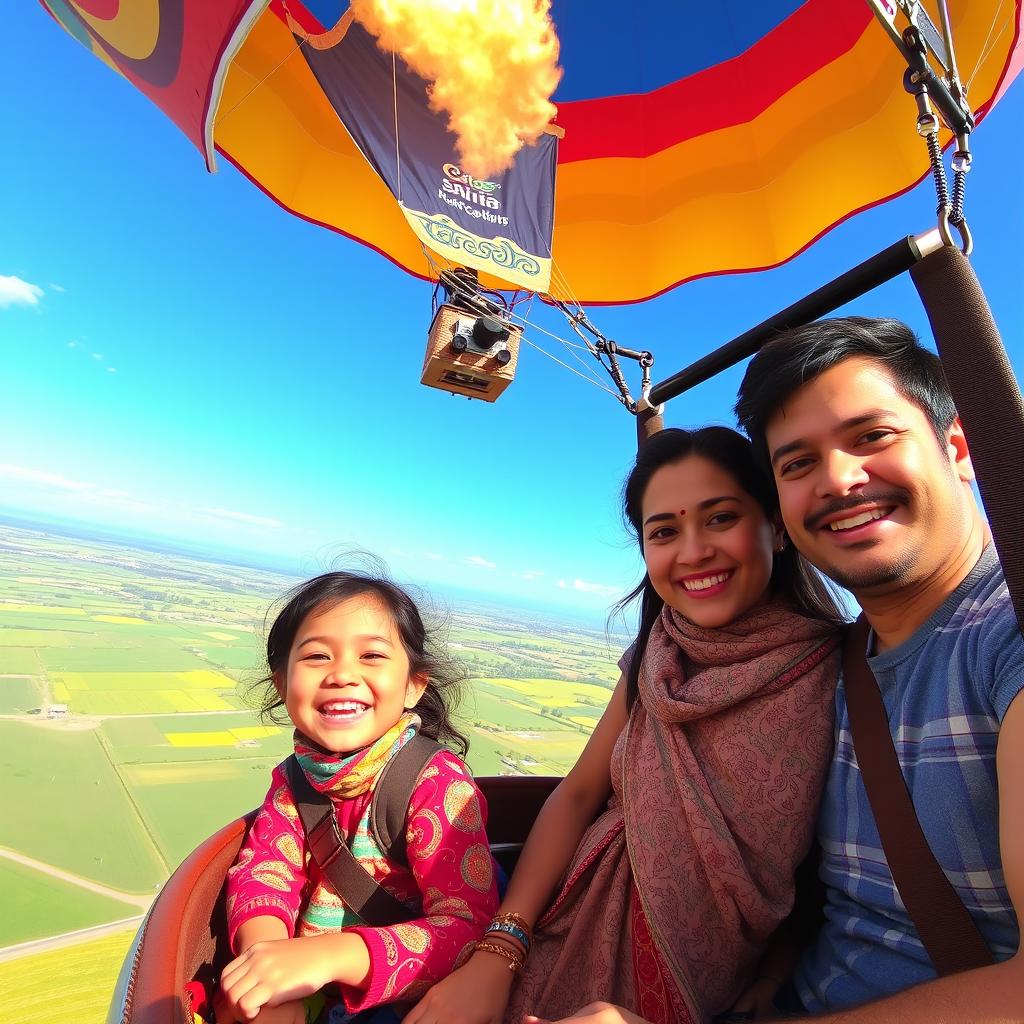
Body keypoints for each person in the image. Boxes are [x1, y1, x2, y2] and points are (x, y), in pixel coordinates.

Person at [536, 316, 1024, 1024]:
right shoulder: (842, 667)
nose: (839, 480)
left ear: (957, 447)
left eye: (872, 437)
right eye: (797, 463)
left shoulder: (1002, 639)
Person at [408, 427, 844, 1024]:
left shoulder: (833, 672)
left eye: (720, 518)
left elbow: (834, 862)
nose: (692, 552)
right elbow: (580, 793)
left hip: (712, 979)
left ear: (775, 525)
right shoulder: (654, 657)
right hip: (561, 930)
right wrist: (499, 949)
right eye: (664, 531)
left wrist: (778, 968)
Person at [217, 571, 500, 1024]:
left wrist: (329, 957)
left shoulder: (435, 783)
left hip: (409, 999)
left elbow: (468, 928)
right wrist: (265, 966)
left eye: (371, 655)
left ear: (413, 685)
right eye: (316, 656)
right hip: (316, 989)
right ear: (280, 683)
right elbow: (266, 871)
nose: (343, 674)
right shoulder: (295, 779)